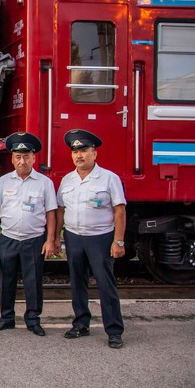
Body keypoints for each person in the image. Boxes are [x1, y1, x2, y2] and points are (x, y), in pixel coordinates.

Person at [55, 129, 127, 349]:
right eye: (75, 151)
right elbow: (60, 210)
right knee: (77, 283)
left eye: (84, 150)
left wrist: (119, 241)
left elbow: (120, 211)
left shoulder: (109, 178)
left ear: (94, 153)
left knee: (106, 285)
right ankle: (81, 324)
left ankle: (114, 331)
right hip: (74, 237)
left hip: (100, 238)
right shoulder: (67, 180)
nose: (79, 155)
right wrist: (57, 237)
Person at [0, 132, 57, 336]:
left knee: (33, 281)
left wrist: (50, 240)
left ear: (34, 158)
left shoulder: (44, 183)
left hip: (33, 239)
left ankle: (33, 319)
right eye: (18, 156)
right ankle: (7, 317)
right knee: (6, 280)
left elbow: (51, 213)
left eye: (26, 156)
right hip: (8, 238)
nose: (22, 161)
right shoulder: (4, 182)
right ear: (12, 158)